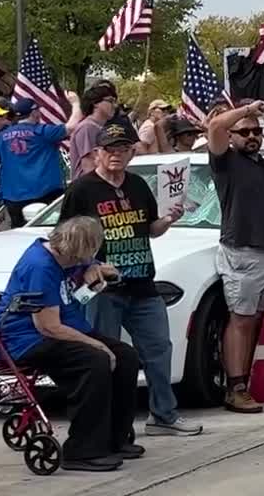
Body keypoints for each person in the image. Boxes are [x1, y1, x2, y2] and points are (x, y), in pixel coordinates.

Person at [57, 119, 202, 436]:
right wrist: (89, 264)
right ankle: (107, 423)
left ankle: (163, 416)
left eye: (123, 149)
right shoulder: (81, 190)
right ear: (97, 152)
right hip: (102, 291)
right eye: (110, 149)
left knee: (159, 349)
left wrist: (168, 219)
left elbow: (151, 230)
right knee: (105, 355)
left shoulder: (137, 186)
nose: (116, 155)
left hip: (143, 285)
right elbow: (63, 238)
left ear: (131, 153)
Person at [0, 216, 141, 472]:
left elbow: (104, 268)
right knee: (95, 361)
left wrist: (99, 269)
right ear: (77, 250)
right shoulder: (40, 267)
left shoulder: (70, 256)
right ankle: (82, 450)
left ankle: (114, 438)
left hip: (65, 328)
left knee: (126, 356)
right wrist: (98, 346)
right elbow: (48, 326)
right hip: (27, 337)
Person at [205, 100, 264, 413]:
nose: (251, 135)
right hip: (241, 251)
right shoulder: (225, 161)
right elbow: (215, 127)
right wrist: (250, 109)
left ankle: (248, 380)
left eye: (256, 131)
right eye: (244, 131)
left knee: (257, 320)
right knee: (242, 320)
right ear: (232, 136)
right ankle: (236, 387)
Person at [0, 94, 86, 228]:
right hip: (46, 194)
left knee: (19, 235)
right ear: (34, 113)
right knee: (50, 233)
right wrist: (76, 103)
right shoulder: (43, 131)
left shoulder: (2, 136)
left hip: (13, 197)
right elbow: (72, 126)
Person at [69, 81, 121, 176]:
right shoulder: (87, 127)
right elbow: (89, 164)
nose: (115, 105)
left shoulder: (100, 127)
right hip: (89, 187)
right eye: (110, 101)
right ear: (95, 103)